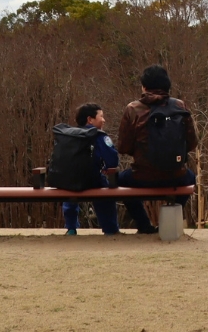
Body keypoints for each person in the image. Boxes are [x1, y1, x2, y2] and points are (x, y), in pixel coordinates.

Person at [117, 64, 198, 234]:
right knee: (190, 177)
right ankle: (168, 223)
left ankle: (144, 225)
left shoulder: (133, 109)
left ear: (144, 87)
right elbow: (192, 143)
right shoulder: (180, 106)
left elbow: (123, 147)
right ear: (167, 85)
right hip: (175, 175)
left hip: (142, 176)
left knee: (120, 180)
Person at [62, 103, 120, 236]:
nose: (104, 120)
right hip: (92, 180)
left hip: (70, 180)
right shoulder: (99, 136)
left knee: (70, 195)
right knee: (105, 195)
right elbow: (112, 159)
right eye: (101, 116)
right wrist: (107, 168)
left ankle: (71, 228)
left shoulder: (69, 135)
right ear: (90, 119)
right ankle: (110, 228)